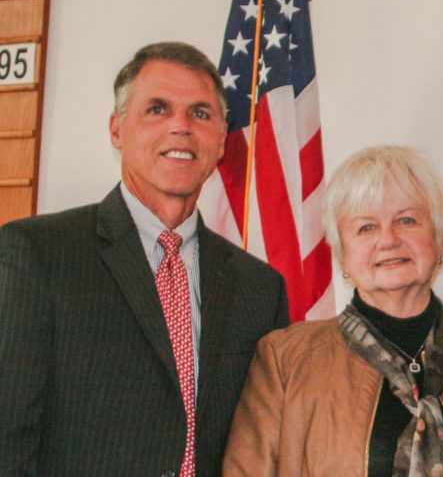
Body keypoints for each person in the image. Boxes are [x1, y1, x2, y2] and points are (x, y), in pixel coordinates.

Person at [0, 41, 290, 476]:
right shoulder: (38, 255)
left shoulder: (260, 288)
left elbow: (267, 443)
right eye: (157, 109)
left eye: (200, 113)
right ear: (117, 129)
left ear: (221, 141)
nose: (181, 126)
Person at [223, 145, 443, 477]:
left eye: (407, 220)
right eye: (366, 228)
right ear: (342, 253)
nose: (388, 240)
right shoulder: (284, 362)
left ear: (441, 236)